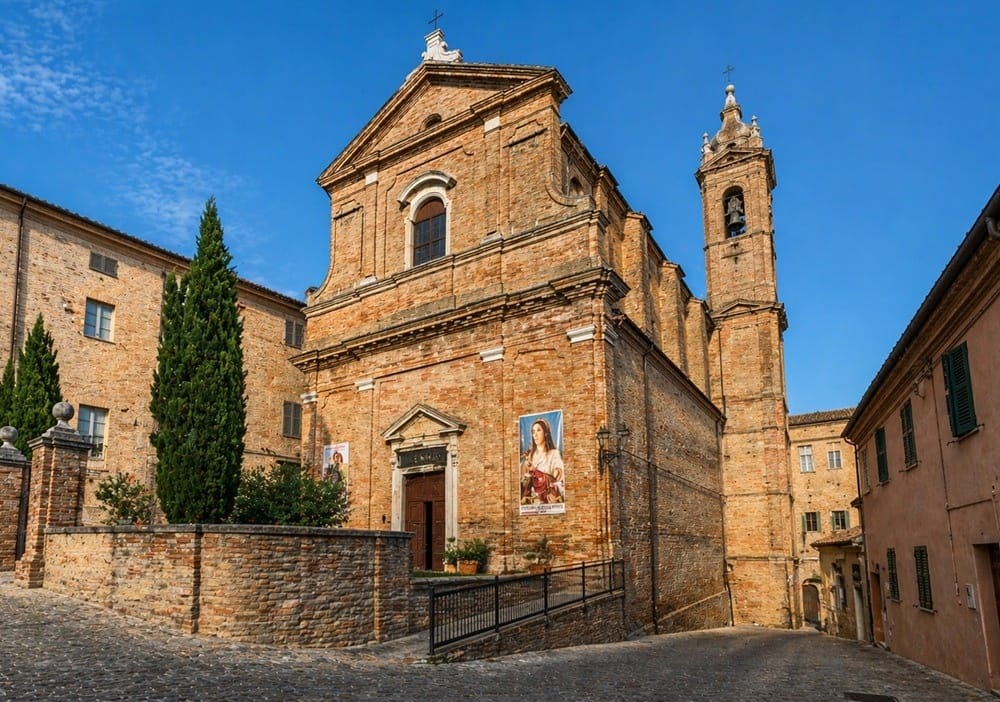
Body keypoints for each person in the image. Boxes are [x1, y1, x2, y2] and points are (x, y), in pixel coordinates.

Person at [520, 418, 565, 504]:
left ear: (546, 433)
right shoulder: (529, 457)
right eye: (533, 432)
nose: (535, 434)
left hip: (548, 499)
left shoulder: (554, 454)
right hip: (532, 502)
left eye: (538, 430)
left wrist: (538, 473)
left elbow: (558, 476)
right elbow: (523, 481)